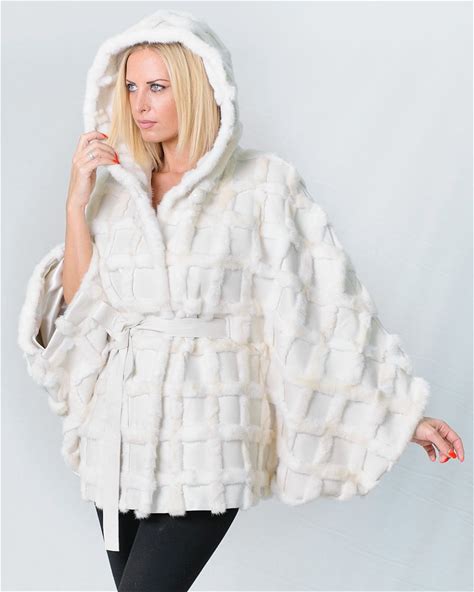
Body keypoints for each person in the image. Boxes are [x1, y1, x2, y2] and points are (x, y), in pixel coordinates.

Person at [18, 8, 465, 592]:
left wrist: (402, 415)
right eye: (130, 87)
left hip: (209, 436)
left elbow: (325, 309)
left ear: (197, 88)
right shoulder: (117, 190)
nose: (140, 104)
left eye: (157, 87)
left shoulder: (262, 186)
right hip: (119, 437)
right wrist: (76, 204)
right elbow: (81, 312)